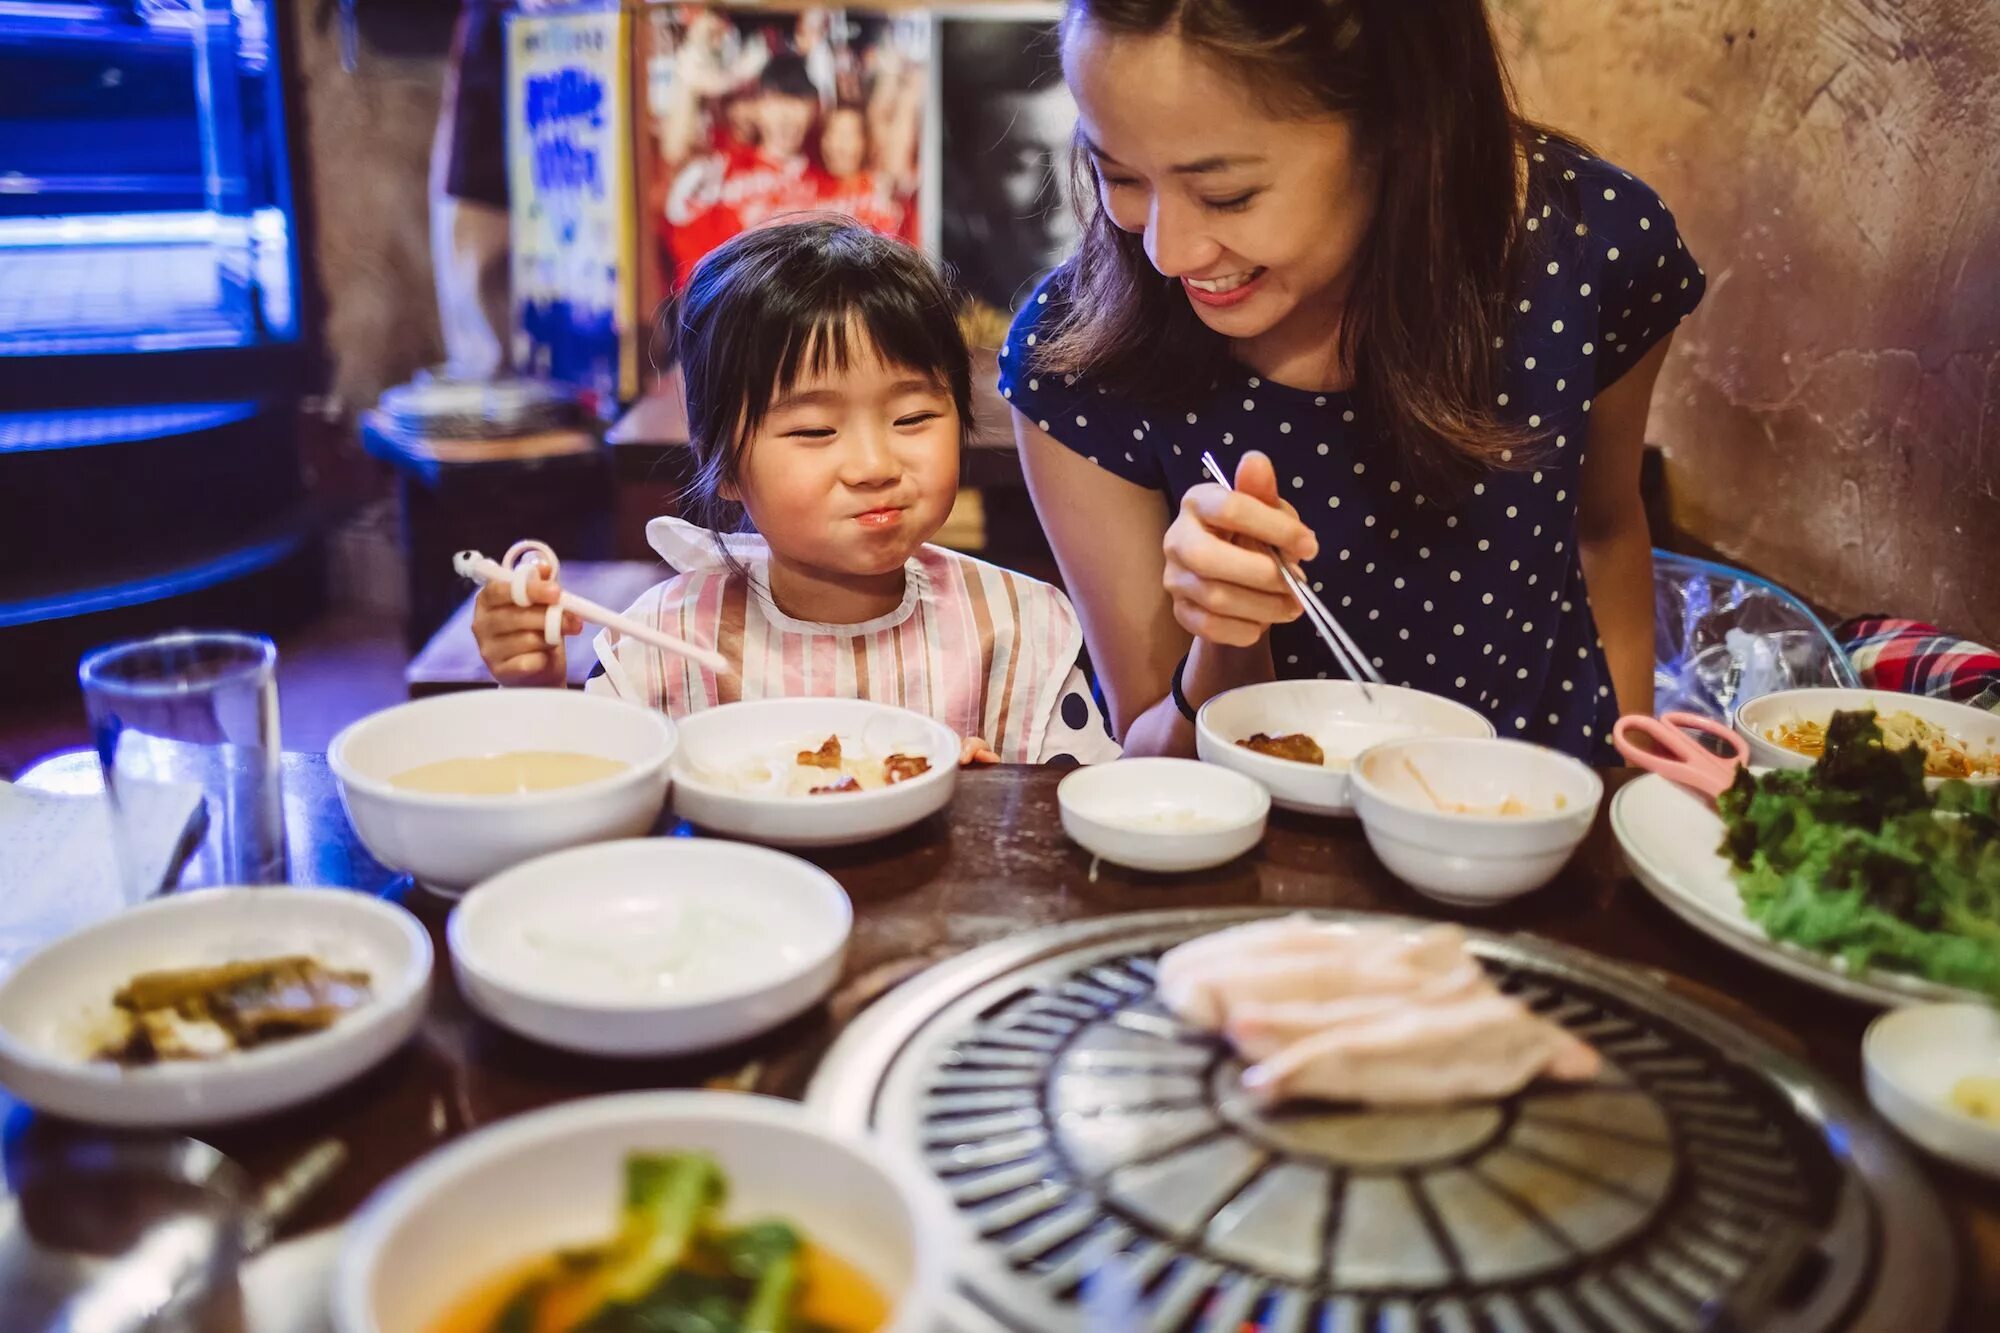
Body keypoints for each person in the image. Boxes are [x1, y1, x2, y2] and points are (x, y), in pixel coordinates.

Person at [1002, 0, 1705, 763]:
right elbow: (1151, 761)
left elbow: (1605, 532)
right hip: (1259, 856)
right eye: (1119, 175)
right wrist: (1224, 639)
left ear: (1398, 126)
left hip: (1537, 806)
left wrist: (1621, 806)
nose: (1169, 252)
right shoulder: (1074, 359)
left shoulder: (1592, 249)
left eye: (1227, 194)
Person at [471, 218, 1120, 766]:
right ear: (723, 462)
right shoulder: (662, 642)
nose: (874, 464)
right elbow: (588, 804)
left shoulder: (1016, 625)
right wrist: (532, 684)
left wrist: (994, 806)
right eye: (815, 428)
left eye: (913, 418)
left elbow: (1080, 816)